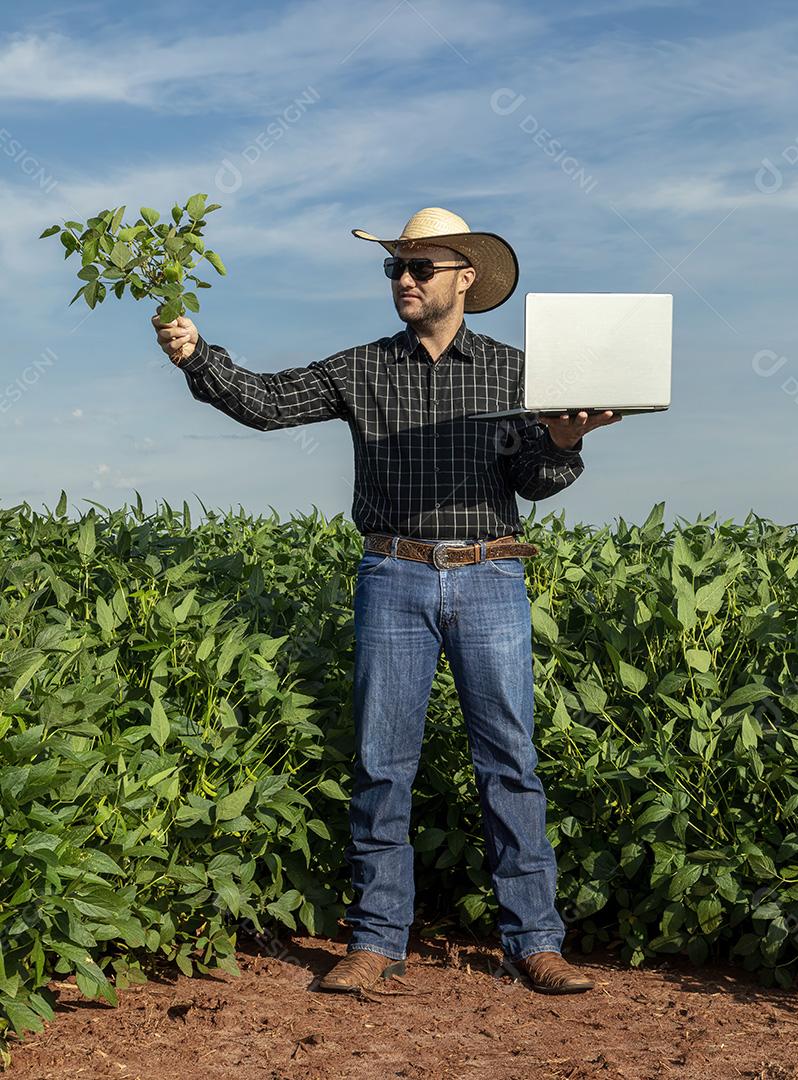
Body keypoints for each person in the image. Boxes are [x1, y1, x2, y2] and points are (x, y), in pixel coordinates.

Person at [152, 206, 622, 996]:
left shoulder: (517, 372)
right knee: (381, 764)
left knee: (510, 762)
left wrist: (566, 442)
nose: (402, 281)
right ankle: (374, 940)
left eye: (419, 269)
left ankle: (535, 942)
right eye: (394, 270)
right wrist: (198, 357)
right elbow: (267, 402)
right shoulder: (361, 367)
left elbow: (535, 482)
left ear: (464, 279)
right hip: (393, 574)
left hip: (491, 573)